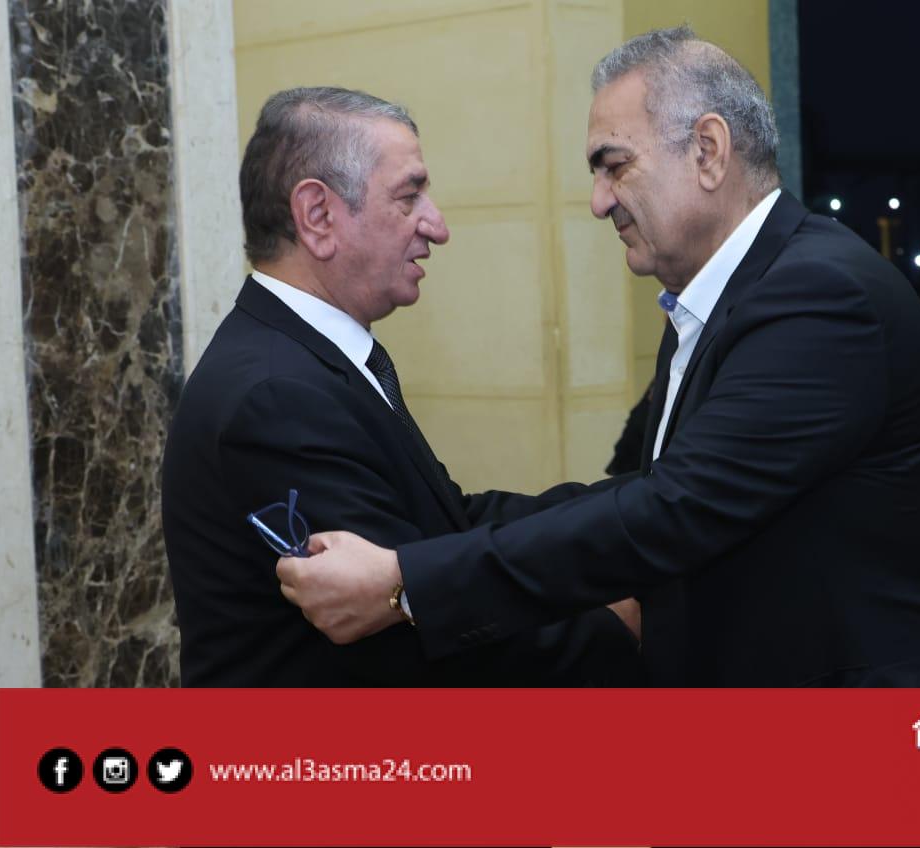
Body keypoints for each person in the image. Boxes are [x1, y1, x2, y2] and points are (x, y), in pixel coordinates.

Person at [278, 27, 920, 687]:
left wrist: (408, 583)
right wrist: (452, 523)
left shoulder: (819, 295)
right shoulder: (721, 294)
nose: (599, 201)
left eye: (614, 166)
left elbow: (674, 510)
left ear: (709, 151)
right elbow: (655, 489)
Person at [161, 87, 641, 686]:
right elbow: (407, 639)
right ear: (318, 216)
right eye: (409, 195)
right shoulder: (276, 395)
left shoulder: (305, 358)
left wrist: (649, 503)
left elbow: (449, 523)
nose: (436, 226)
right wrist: (620, 626)